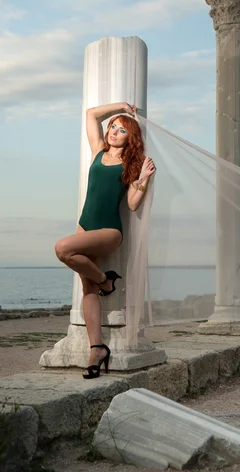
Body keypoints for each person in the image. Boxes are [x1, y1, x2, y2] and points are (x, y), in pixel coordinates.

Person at [55, 102, 156, 379]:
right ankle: (97, 348)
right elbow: (90, 114)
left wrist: (144, 179)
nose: (113, 131)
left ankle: (105, 280)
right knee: (88, 289)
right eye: (113, 126)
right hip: (84, 226)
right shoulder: (98, 151)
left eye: (122, 130)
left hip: (109, 232)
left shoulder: (130, 164)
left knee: (62, 248)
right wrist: (121, 107)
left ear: (129, 138)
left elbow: (133, 205)